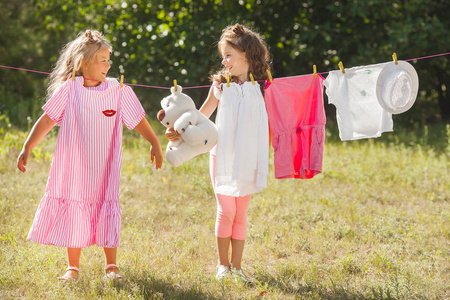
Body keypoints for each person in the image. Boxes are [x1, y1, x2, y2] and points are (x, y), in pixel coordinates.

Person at [16, 29, 163, 282]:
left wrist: (154, 141)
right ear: (84, 63)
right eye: (103, 60)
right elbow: (48, 119)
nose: (109, 64)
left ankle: (112, 266)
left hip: (105, 166)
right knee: (75, 207)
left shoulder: (117, 91)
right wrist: (28, 145)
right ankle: (72, 267)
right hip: (75, 167)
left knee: (108, 205)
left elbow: (138, 119)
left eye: (109, 60)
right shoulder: (70, 90)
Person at [166, 23, 271, 283]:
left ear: (246, 54)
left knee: (241, 214)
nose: (224, 61)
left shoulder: (263, 85)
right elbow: (202, 116)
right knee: (226, 211)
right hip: (222, 156)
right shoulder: (220, 85)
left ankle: (238, 267)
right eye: (223, 56)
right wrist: (180, 132)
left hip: (249, 156)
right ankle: (222, 266)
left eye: (228, 55)